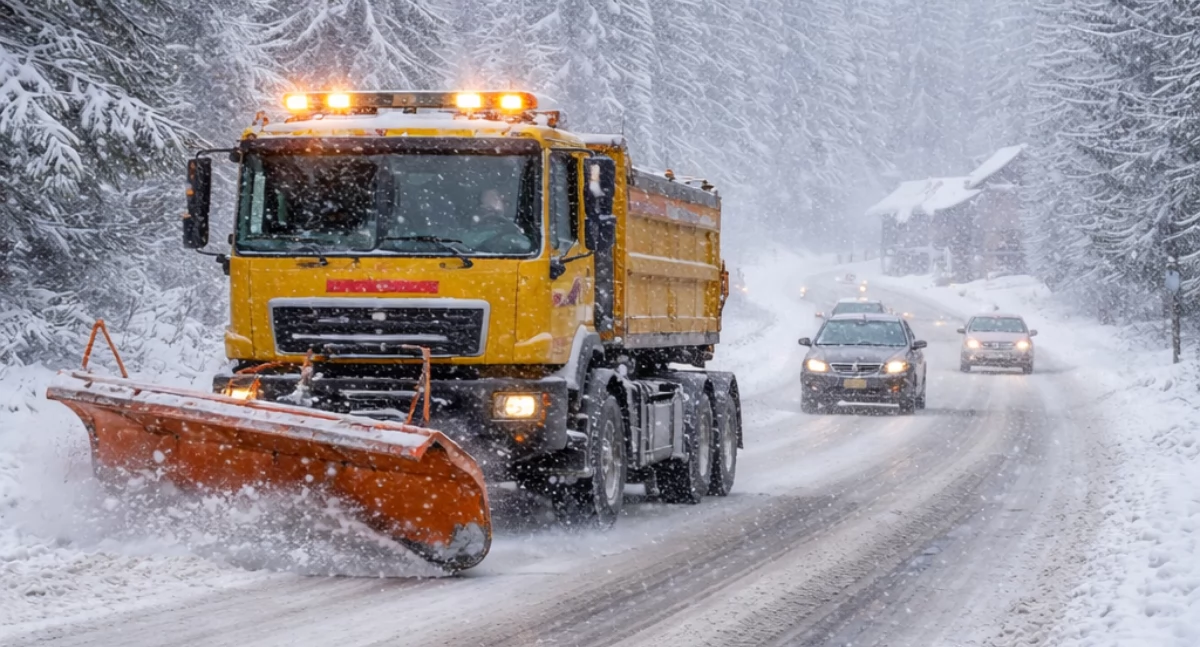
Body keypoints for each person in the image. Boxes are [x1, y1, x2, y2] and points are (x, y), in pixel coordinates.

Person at [462, 188, 532, 253]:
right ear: (479, 207)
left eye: (496, 199)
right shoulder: (471, 229)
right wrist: (497, 233)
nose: (492, 211)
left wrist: (511, 231)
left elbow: (526, 246)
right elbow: (465, 242)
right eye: (487, 208)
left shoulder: (514, 225)